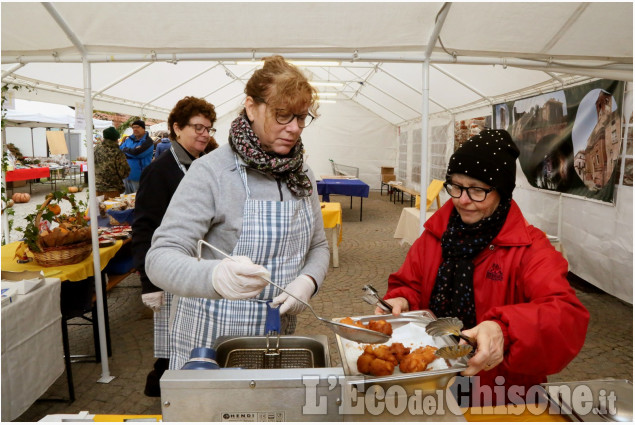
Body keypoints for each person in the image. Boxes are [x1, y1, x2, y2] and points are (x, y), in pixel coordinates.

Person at [376, 129, 589, 405]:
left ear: (502, 190)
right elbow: (410, 283)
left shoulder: (530, 248)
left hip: (499, 391)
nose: (463, 200)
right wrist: (402, 298)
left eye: (477, 190)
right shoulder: (435, 234)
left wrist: (505, 331)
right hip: (431, 374)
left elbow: (566, 317)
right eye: (456, 186)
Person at [146, 55, 330, 370]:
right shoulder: (212, 171)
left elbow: (319, 245)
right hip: (212, 337)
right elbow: (160, 258)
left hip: (275, 333)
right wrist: (214, 277)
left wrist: (308, 281)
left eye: (301, 117)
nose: (294, 128)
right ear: (251, 106)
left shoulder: (302, 174)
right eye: (282, 115)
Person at [132, 97, 217, 396]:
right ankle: (164, 389)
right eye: (198, 127)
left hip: (195, 268)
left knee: (190, 336)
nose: (205, 134)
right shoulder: (160, 170)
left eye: (208, 128)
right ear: (176, 128)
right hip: (169, 269)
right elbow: (143, 228)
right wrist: (147, 282)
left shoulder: (202, 164)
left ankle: (182, 385)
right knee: (172, 340)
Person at [94, 126, 130, 199]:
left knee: (98, 209)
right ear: (116, 139)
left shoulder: (96, 149)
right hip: (112, 189)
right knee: (111, 209)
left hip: (97, 187)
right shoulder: (117, 152)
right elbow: (124, 172)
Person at [120, 119, 154, 193]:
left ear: (143, 128)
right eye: (133, 127)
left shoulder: (148, 142)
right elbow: (120, 150)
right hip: (126, 177)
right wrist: (131, 151)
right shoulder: (129, 139)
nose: (135, 129)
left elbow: (138, 153)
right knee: (126, 201)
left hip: (139, 178)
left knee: (138, 200)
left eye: (137, 127)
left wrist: (126, 150)